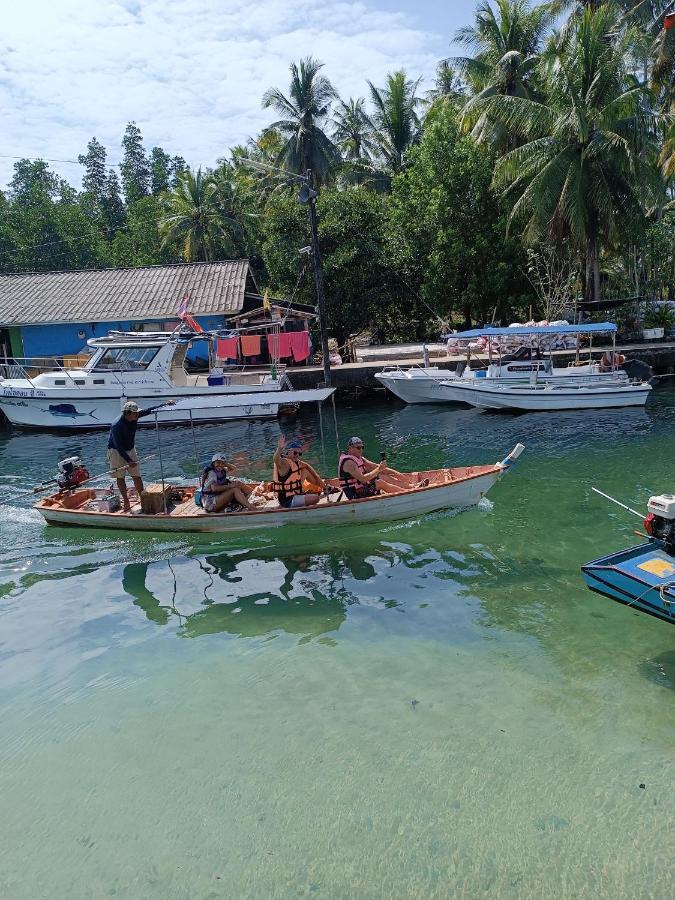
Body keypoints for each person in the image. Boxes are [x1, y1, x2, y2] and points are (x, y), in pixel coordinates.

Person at [107, 399, 176, 511]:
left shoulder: (135, 416)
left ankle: (143, 499)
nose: (138, 414)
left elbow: (149, 410)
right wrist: (129, 460)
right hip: (116, 451)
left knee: (137, 475)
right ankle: (126, 500)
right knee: (120, 477)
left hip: (130, 448)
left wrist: (164, 404)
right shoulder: (117, 425)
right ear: (127, 413)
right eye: (135, 413)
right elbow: (118, 445)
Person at [338, 437, 413, 499]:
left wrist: (396, 473)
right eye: (358, 448)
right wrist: (379, 469)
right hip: (354, 494)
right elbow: (363, 479)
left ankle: (410, 487)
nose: (361, 450)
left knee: (382, 476)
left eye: (362, 447)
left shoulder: (360, 458)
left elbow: (375, 466)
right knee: (379, 483)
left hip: (361, 487)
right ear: (350, 448)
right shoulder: (349, 463)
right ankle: (407, 494)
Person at [272, 435, 327, 508]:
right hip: (287, 501)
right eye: (295, 453)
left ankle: (326, 488)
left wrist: (325, 487)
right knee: (315, 498)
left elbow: (309, 468)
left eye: (299, 454)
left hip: (295, 493)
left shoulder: (297, 462)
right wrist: (279, 448)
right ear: (288, 452)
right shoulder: (284, 464)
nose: (297, 455)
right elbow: (276, 460)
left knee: (305, 471)